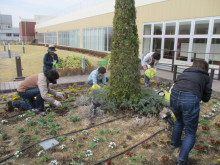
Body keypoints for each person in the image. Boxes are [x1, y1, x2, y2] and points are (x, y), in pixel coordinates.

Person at [170, 59, 212, 165]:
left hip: (174, 96)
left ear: (193, 65)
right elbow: (206, 97)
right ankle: (182, 160)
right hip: (189, 99)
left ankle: (174, 143)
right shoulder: (206, 77)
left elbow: (176, 83)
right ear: (205, 68)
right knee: (190, 132)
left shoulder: (185, 72)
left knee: (179, 121)